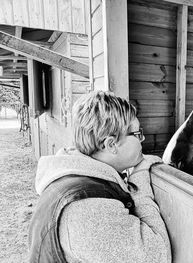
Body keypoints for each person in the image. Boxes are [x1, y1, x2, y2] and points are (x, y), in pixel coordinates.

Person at [28, 91, 171, 263]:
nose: (142, 139)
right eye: (137, 134)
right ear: (111, 144)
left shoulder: (77, 179)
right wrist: (139, 180)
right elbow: (157, 255)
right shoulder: (87, 209)